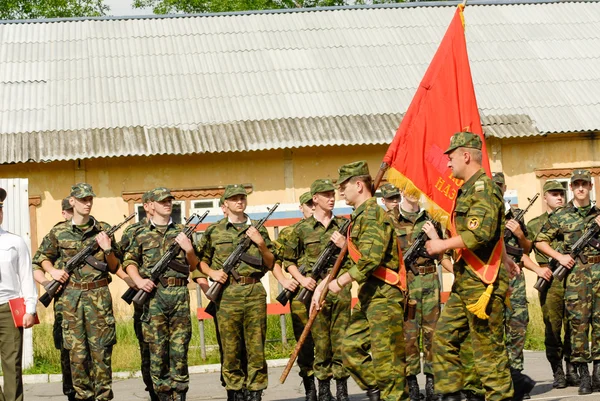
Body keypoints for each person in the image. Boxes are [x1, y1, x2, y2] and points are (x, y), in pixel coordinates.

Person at [425, 132, 533, 401]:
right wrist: (505, 257)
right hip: (467, 283)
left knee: (489, 355)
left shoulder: (483, 189)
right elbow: (493, 231)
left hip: (483, 286)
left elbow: (479, 234)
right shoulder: (469, 190)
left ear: (465, 156)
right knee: (443, 338)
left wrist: (441, 245)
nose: (448, 164)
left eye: (451, 158)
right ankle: (451, 394)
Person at [315, 161, 408, 401]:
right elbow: (354, 259)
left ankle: (391, 395)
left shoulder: (372, 214)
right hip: (370, 296)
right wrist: (325, 283)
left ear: (359, 185)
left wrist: (340, 282)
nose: (340, 192)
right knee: (350, 349)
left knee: (389, 365)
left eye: (344, 186)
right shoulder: (359, 216)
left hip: (385, 297)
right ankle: (378, 391)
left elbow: (371, 259)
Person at [33, 183, 120, 401]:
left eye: (90, 199)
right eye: (82, 200)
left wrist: (107, 247)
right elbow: (40, 258)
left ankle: (103, 397)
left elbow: (114, 266)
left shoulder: (104, 229)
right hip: (70, 301)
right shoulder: (59, 231)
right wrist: (53, 272)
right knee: (77, 357)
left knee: (101, 355)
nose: (87, 203)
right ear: (72, 201)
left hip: (99, 299)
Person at [199, 184, 275, 401]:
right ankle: (234, 392)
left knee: (256, 346)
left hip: (253, 292)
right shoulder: (214, 231)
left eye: (242, 197)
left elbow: (270, 263)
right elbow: (199, 262)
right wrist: (212, 273)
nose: (239, 201)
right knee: (230, 347)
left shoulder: (258, 230)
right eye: (234, 199)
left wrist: (261, 245)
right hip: (227, 295)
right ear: (225, 205)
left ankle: (256, 392)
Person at [124, 187, 199, 401]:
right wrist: (138, 281)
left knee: (180, 349)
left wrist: (189, 249)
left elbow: (194, 265)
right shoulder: (140, 233)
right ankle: (162, 396)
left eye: (169, 200)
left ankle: (180, 394)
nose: (167, 204)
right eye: (162, 201)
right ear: (150, 206)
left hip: (179, 297)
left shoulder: (183, 232)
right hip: (153, 299)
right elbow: (129, 261)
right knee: (157, 351)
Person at [382, 182, 450, 401]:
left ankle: (432, 382)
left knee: (433, 333)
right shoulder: (390, 219)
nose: (413, 194)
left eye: (415, 189)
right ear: (401, 192)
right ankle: (411, 382)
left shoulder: (431, 219)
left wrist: (433, 237)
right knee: (409, 335)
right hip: (406, 284)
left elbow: (442, 253)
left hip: (430, 280)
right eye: (408, 190)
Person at [535, 169, 600, 395]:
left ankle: (598, 374)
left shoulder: (598, 214)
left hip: (599, 275)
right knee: (578, 326)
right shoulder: (561, 216)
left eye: (585, 184)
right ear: (571, 187)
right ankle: (583, 376)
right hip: (575, 280)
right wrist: (560, 257)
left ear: (590, 187)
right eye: (577, 184)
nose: (581, 188)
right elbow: (540, 241)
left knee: (599, 326)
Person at [285, 180, 351, 401]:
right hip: (315, 293)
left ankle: (342, 390)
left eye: (332, 194)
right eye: (325, 195)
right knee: (321, 343)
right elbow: (289, 260)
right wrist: (302, 280)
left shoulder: (344, 226)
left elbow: (357, 258)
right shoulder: (301, 229)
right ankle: (323, 390)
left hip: (339, 290)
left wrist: (345, 245)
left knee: (341, 341)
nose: (331, 198)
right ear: (315, 199)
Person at [525, 180, 579, 388]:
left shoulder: (573, 220)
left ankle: (572, 369)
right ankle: (557, 371)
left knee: (575, 327)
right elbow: (522, 254)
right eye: (554, 194)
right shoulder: (534, 224)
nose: (559, 197)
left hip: (573, 279)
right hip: (550, 281)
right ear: (545, 197)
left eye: (561, 194)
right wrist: (538, 269)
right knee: (553, 328)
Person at [272, 192, 316, 401]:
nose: (312, 207)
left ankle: (329, 387)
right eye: (309, 204)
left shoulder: (328, 229)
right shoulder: (290, 232)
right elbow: (275, 261)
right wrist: (284, 281)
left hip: (322, 289)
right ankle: (310, 387)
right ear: (301, 207)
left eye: (314, 203)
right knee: (304, 340)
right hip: (300, 293)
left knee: (328, 340)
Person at [492, 172, 533, 392]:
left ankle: (516, 376)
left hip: (516, 278)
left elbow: (527, 249)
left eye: (500, 186)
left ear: (505, 187)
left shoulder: (516, 215)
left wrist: (518, 234)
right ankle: (499, 380)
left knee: (517, 327)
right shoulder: (487, 215)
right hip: (494, 278)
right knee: (495, 330)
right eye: (493, 186)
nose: (497, 189)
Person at [32, 197, 76, 401]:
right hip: (64, 308)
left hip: (87, 305)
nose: (70, 214)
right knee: (66, 354)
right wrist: (49, 281)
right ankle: (70, 393)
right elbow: (37, 263)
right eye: (68, 211)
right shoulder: (57, 234)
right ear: (64, 213)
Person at [118, 191, 158, 401]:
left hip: (166, 296)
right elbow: (117, 258)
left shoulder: (172, 230)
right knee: (146, 347)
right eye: (154, 203)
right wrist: (129, 279)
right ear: (147, 206)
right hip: (143, 297)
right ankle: (151, 389)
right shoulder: (133, 231)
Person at [0, 187, 37, 401]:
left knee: (12, 365)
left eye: (0, 210)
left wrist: (30, 309)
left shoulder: (15, 242)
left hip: (8, 308)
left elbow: (26, 277)